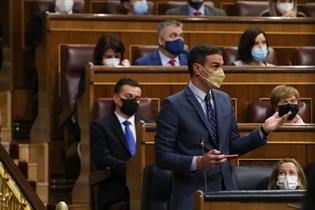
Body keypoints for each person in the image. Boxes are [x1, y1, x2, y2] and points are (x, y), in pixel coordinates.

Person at [154, 44, 290, 210]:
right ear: (198, 69)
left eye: (222, 66)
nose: (221, 72)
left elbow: (232, 145)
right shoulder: (173, 105)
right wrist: (198, 161)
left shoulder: (224, 99)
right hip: (191, 193)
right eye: (215, 66)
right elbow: (162, 156)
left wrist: (263, 131)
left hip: (226, 190)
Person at [90, 78, 144, 210]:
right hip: (117, 186)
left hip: (146, 187)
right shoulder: (100, 126)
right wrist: (131, 170)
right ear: (116, 98)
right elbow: (102, 159)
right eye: (128, 96)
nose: (133, 101)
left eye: (137, 98)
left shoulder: (147, 125)